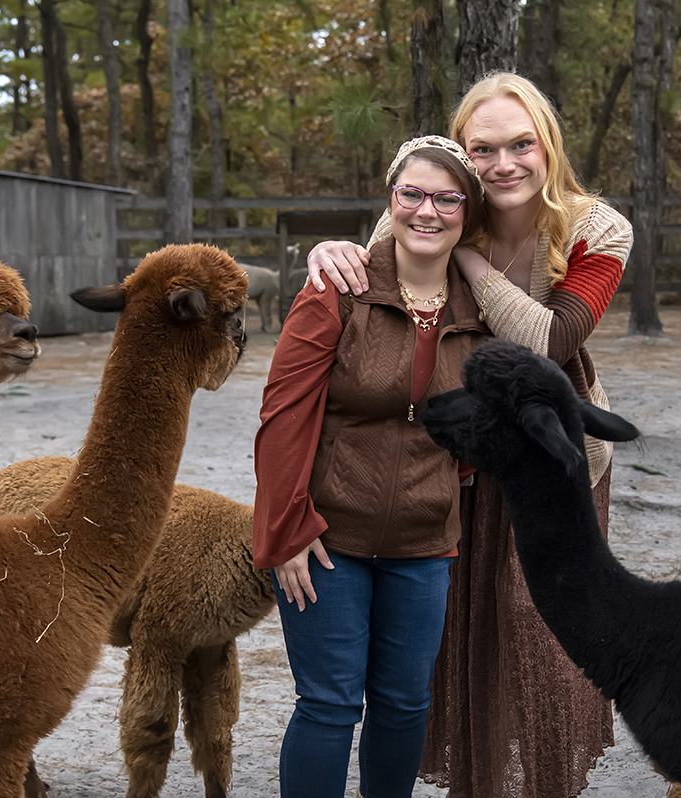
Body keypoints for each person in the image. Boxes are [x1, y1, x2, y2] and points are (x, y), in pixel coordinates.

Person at [306, 71, 634, 797]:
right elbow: (370, 298)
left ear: (547, 147)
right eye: (482, 149)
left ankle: (546, 783)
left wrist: (468, 259)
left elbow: (551, 340)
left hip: (555, 454)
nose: (504, 163)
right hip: (453, 453)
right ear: (460, 153)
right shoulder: (434, 207)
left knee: (534, 621)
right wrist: (330, 253)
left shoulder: (596, 228)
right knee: (461, 631)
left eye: (522, 144)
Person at [252, 135, 489, 798]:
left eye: (447, 198)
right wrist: (288, 526)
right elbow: (283, 419)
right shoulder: (339, 290)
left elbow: (477, 429)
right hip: (329, 539)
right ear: (391, 200)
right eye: (411, 193)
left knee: (405, 703)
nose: (427, 210)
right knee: (329, 704)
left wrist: (448, 487)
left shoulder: (479, 315)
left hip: (423, 543)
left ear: (466, 213)